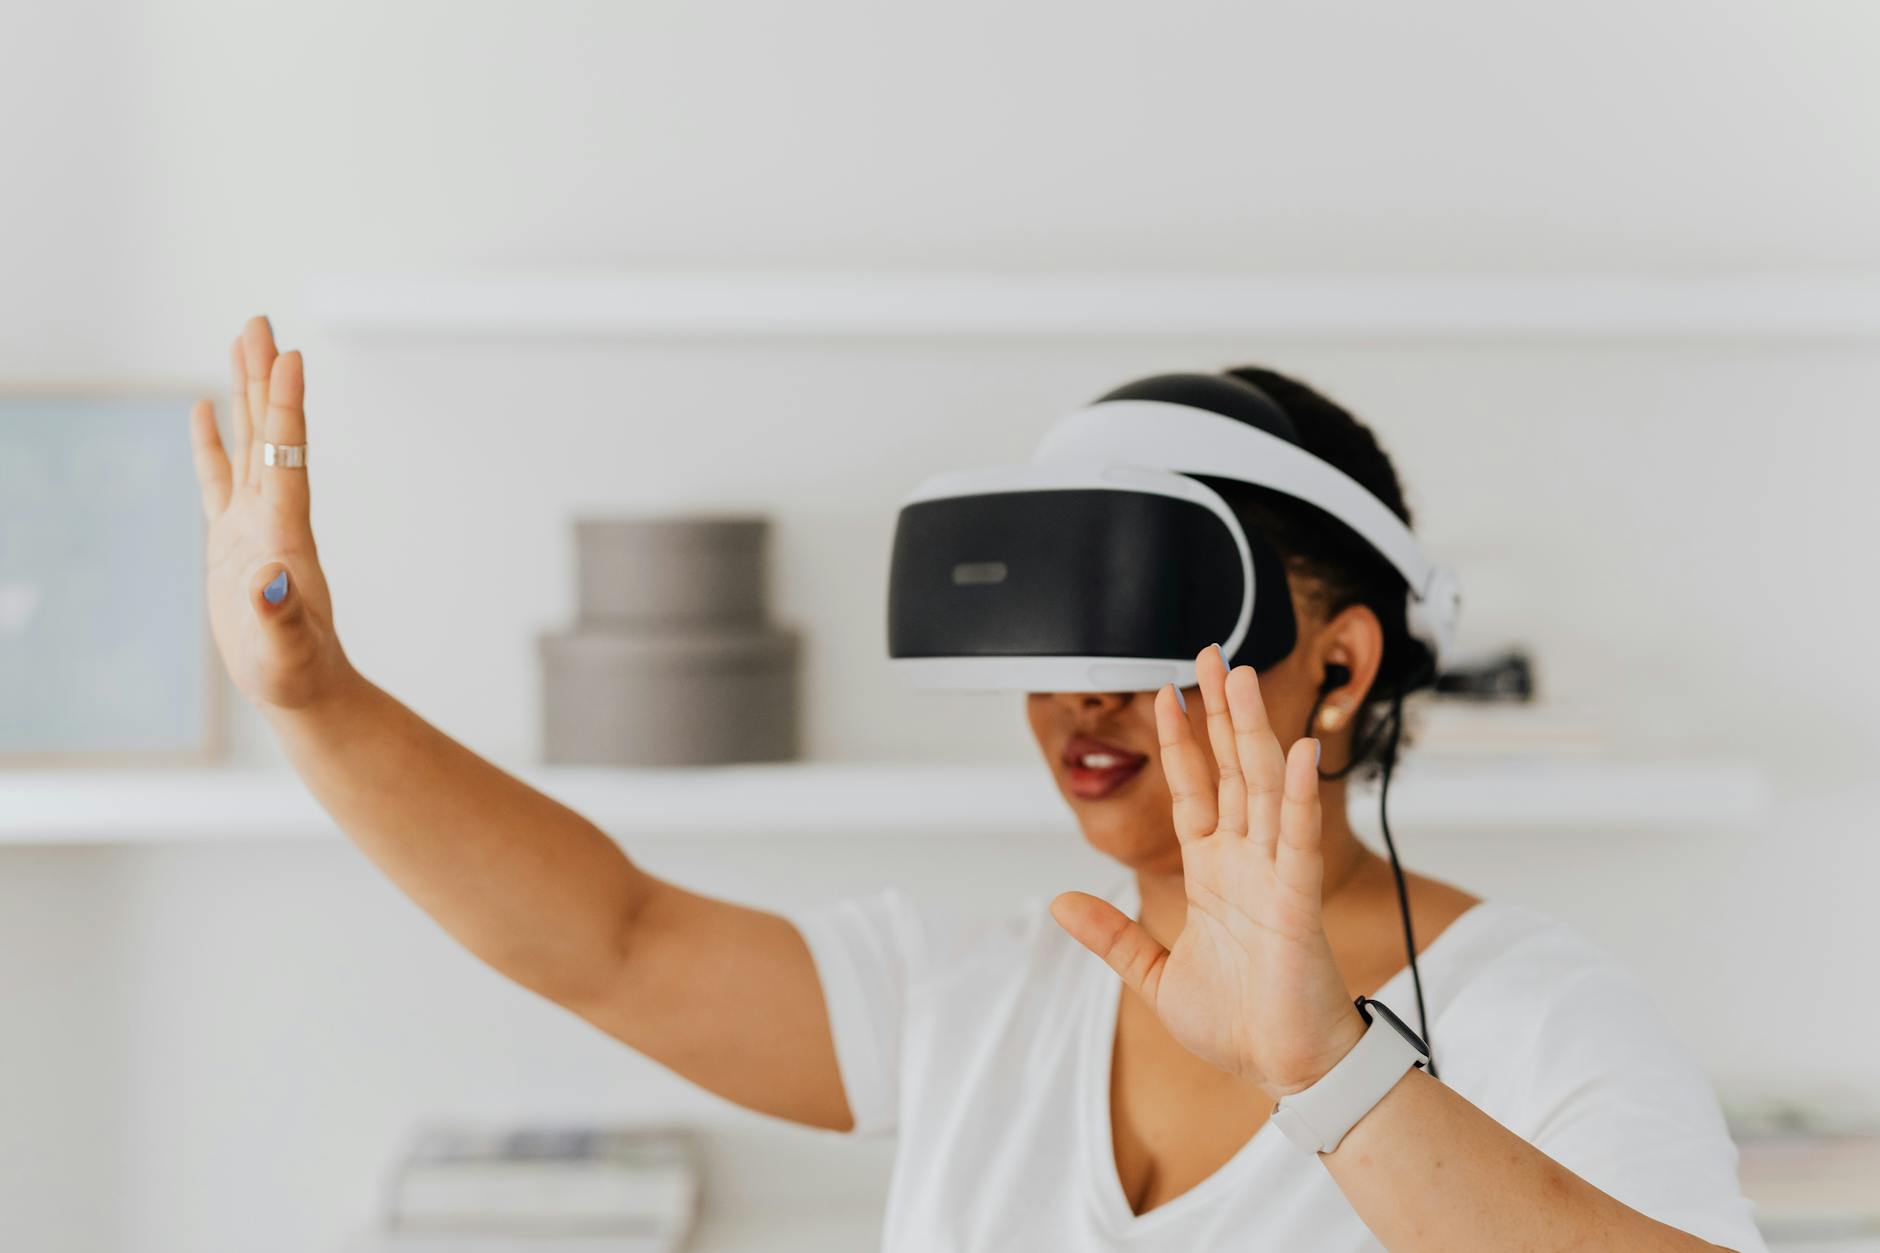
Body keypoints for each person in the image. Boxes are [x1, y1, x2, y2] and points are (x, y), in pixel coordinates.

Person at [187, 316, 1767, 1252]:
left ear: (1340, 667)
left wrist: (1330, 1070)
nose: (1080, 691)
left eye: (1144, 626)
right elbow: (612, 937)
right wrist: (311, 694)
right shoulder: (988, 996)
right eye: (1052, 630)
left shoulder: (1533, 1021)